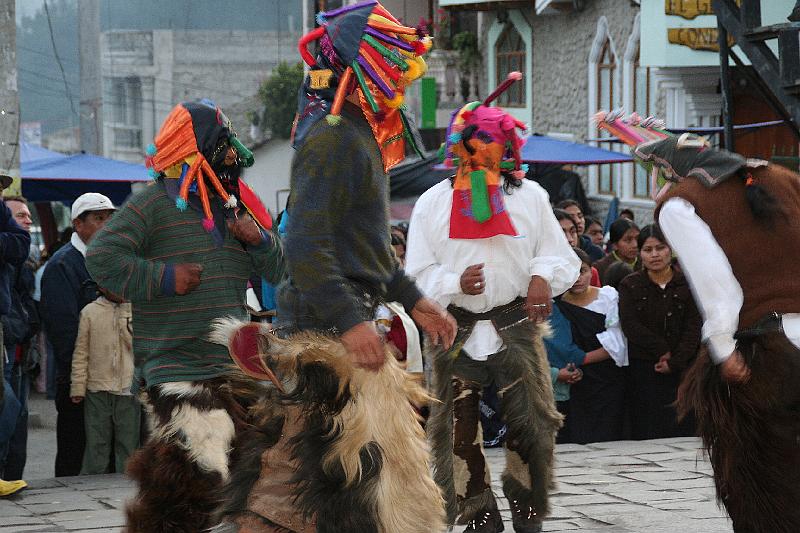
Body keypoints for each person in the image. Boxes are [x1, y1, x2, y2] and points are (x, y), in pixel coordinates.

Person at [227, 5, 455, 531]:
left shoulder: (355, 132)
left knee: (333, 477)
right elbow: (304, 244)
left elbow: (364, 247)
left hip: (341, 319)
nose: (401, 73)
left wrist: (415, 300)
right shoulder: (331, 135)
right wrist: (351, 322)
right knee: (296, 476)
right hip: (320, 332)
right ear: (363, 65)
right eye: (393, 61)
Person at [85, 100, 285, 532]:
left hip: (232, 370)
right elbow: (101, 258)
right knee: (202, 462)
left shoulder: (236, 207)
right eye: (222, 143)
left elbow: (281, 271)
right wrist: (162, 277)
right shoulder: (152, 205)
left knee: (240, 478)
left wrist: (261, 240)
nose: (232, 154)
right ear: (194, 152)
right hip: (174, 365)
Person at [406, 73, 579, 533]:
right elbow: (414, 275)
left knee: (532, 426)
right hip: (453, 329)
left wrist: (542, 276)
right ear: (457, 151)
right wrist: (452, 280)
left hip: (514, 325)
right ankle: (478, 513)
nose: (483, 158)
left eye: (492, 149)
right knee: (455, 432)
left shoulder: (533, 197)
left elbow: (563, 258)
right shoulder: (430, 203)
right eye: (474, 150)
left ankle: (527, 511)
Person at [629, 133, 800, 533]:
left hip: (765, 348)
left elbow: (716, 284)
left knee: (759, 476)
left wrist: (723, 349)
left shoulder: (681, 202)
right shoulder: (778, 175)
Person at [40, 192, 114, 477]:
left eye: (110, 218)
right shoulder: (62, 266)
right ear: (77, 224)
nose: (107, 225)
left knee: (106, 452)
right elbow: (64, 332)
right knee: (75, 451)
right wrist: (80, 379)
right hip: (79, 380)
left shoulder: (112, 260)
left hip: (112, 378)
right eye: (98, 219)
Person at [618, 224, 700, 439]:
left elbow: (694, 327)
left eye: (660, 248)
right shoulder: (631, 285)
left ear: (670, 249)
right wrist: (661, 349)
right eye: (647, 250)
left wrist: (675, 360)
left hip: (683, 368)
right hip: (645, 369)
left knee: (683, 429)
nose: (654, 255)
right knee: (647, 430)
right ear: (640, 253)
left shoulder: (688, 284)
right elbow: (630, 325)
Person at [549, 248, 627, 444]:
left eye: (582, 271)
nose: (577, 278)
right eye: (570, 272)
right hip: (574, 381)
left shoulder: (608, 297)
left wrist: (583, 359)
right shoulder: (556, 305)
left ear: (591, 271)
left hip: (606, 378)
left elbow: (617, 341)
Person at [69, 288, 139, 475]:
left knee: (128, 443)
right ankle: (92, 483)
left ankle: (126, 483)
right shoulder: (90, 312)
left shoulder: (136, 311)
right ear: (101, 287)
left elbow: (136, 346)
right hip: (97, 388)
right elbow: (81, 352)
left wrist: (125, 312)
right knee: (96, 442)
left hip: (127, 389)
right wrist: (78, 386)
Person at [0, 196, 39, 480]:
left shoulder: (22, 263)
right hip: (10, 341)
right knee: (9, 404)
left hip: (15, 345)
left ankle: (8, 477)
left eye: (27, 216)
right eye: (20, 216)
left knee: (15, 414)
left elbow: (19, 243)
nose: (26, 221)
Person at [593, 218, 639, 284]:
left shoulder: (646, 262)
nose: (635, 245)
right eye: (628, 240)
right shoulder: (600, 268)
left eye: (637, 238)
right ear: (615, 245)